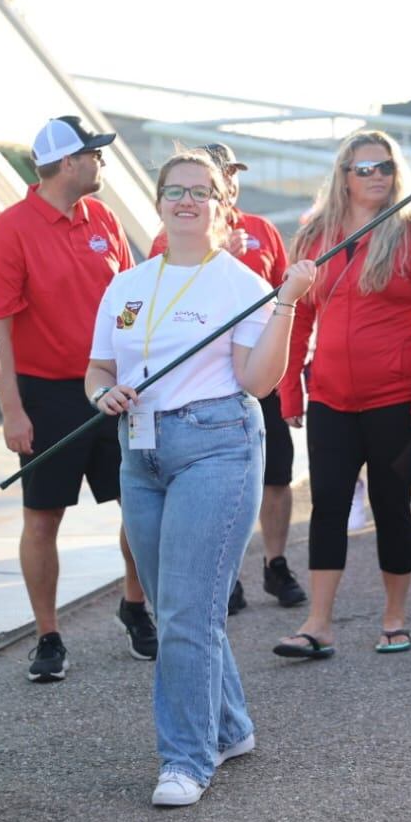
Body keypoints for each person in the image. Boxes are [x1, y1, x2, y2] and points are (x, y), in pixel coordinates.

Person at [86, 149, 315, 807]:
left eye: (200, 192)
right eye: (173, 191)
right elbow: (97, 369)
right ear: (157, 202)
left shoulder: (241, 283)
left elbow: (256, 381)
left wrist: (287, 306)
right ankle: (230, 726)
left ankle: (186, 759)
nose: (185, 201)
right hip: (141, 451)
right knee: (179, 606)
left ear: (222, 206)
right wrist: (101, 394)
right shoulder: (126, 284)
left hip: (215, 446)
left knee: (186, 611)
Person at [0, 116, 155, 680]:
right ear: (70, 163)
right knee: (43, 517)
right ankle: (48, 636)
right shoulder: (11, 229)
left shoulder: (101, 216)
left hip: (111, 386)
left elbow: (130, 300)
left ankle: (134, 606)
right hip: (47, 394)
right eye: (95, 155)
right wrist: (13, 411)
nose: (102, 163)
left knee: (138, 504)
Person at [275, 131, 411, 658]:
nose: (375, 176)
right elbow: (297, 313)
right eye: (364, 169)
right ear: (344, 176)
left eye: (383, 167)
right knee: (327, 503)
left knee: (390, 503)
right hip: (331, 395)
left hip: (397, 399)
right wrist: (290, 390)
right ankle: (318, 623)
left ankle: (394, 616)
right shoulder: (318, 236)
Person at [151, 143, 307, 614]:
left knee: (276, 475)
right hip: (206, 391)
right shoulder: (174, 235)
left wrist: (292, 379)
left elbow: (286, 304)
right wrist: (217, 254)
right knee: (218, 488)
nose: (232, 182)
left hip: (258, 380)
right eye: (223, 174)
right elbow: (166, 296)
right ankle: (229, 573)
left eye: (234, 173)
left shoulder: (261, 229)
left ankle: (275, 563)